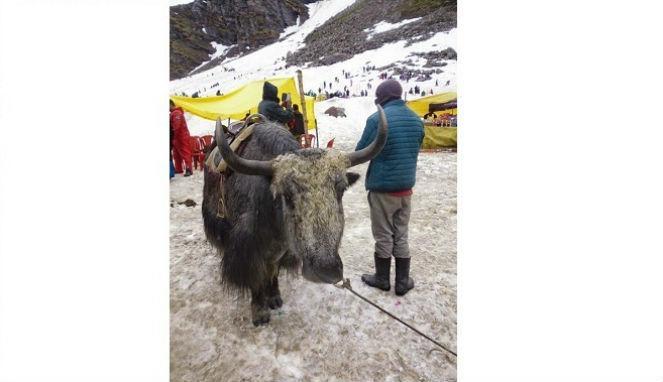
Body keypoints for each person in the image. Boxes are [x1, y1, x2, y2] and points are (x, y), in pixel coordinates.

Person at [356, 79, 424, 296]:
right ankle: (402, 282)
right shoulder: (416, 119)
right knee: (401, 234)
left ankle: (383, 278)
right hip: (406, 190)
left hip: (383, 190)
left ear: (381, 99)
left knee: (384, 234)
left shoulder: (377, 119)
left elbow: (360, 152)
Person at [170, 100, 193, 176]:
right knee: (176, 154)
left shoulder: (177, 113)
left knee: (185, 153)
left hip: (182, 137)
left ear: (171, 104)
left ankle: (189, 169)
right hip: (176, 137)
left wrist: (173, 135)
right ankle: (178, 168)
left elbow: (177, 126)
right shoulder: (173, 113)